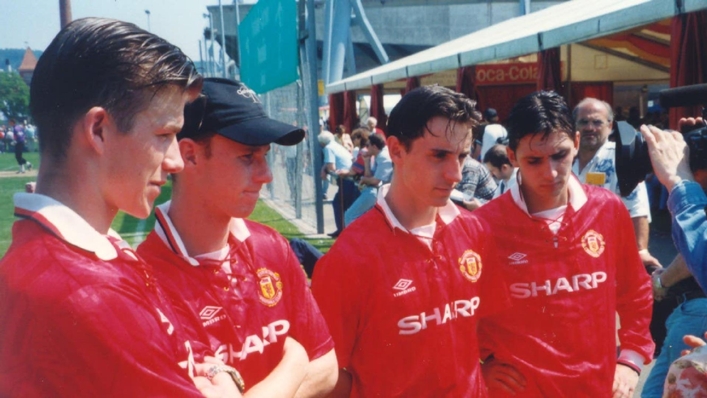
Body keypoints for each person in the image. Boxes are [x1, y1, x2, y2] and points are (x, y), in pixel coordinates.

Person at [0, 18, 241, 397]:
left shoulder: (82, 252)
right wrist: (275, 371)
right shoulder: (84, 292)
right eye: (164, 135)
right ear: (98, 130)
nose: (176, 160)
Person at [136, 78, 337, 397]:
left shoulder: (271, 246)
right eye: (248, 157)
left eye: (265, 156)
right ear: (190, 156)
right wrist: (295, 363)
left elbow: (327, 367)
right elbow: (309, 360)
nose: (266, 174)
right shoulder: (143, 280)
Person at [311, 85, 509, 397]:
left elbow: (492, 332)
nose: (455, 173)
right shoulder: (350, 258)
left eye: (462, 155)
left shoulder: (475, 233)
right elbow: (322, 374)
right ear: (396, 149)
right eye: (439, 155)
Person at [475, 91, 653, 397]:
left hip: (596, 387)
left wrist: (632, 359)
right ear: (512, 156)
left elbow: (635, 290)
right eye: (534, 160)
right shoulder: (482, 226)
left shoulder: (607, 209)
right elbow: (459, 309)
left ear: (576, 143)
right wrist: (482, 362)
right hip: (518, 391)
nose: (551, 172)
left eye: (560, 155)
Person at [572, 98, 660, 271]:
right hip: (571, 252)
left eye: (597, 122)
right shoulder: (564, 158)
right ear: (574, 126)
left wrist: (641, 250)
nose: (590, 128)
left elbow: (636, 208)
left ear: (610, 126)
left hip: (609, 254)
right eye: (584, 122)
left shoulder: (622, 158)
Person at [343, 133, 392, 226]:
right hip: (377, 192)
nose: (366, 148)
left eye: (367, 145)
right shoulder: (378, 155)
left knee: (349, 215)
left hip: (378, 193)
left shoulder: (383, 157)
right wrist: (366, 161)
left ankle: (354, 240)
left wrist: (363, 179)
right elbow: (369, 177)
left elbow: (376, 181)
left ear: (374, 146)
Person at [318, 131, 358, 238]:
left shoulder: (328, 148)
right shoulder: (336, 145)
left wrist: (324, 170)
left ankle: (342, 230)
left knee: (338, 204)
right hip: (350, 178)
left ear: (322, 143)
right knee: (345, 205)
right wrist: (324, 168)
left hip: (346, 179)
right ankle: (343, 230)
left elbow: (331, 167)